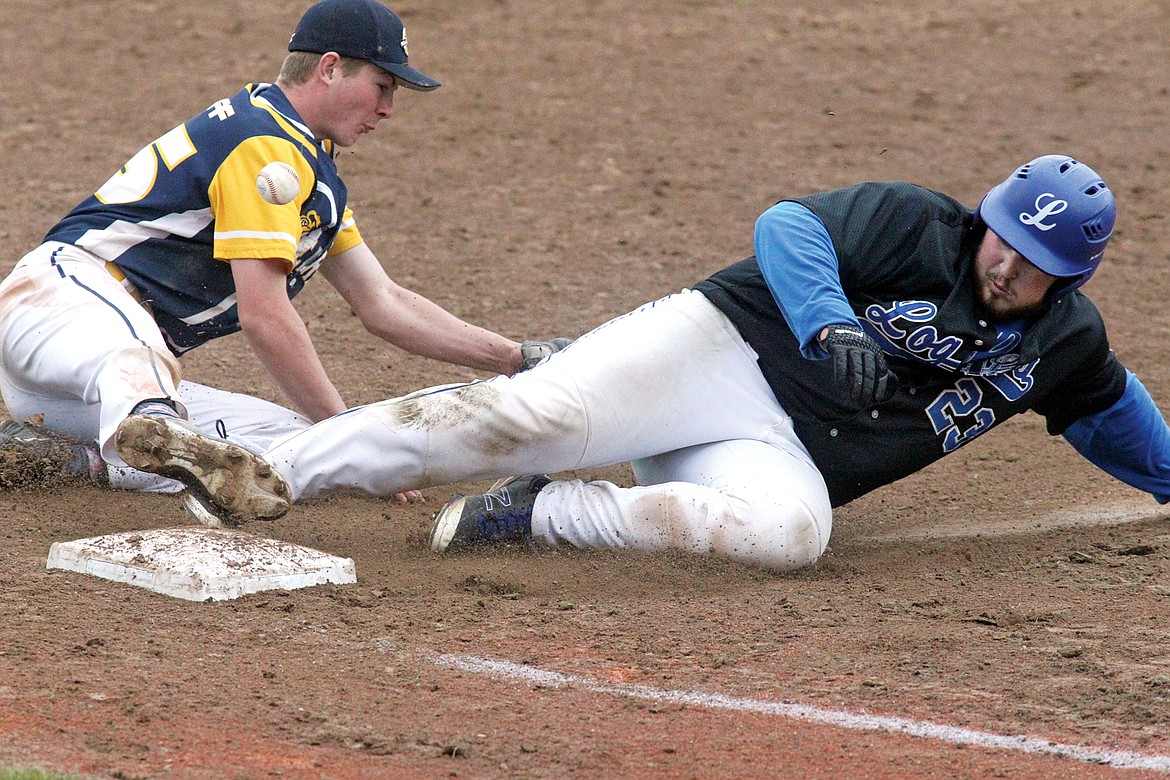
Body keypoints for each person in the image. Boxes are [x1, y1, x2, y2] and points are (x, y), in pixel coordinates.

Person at [175, 155, 1170, 573]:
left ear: (1070, 278)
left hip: (777, 452)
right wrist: (831, 326)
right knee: (524, 418)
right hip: (714, 349)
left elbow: (1111, 413)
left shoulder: (1064, 345)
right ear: (987, 217)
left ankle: (541, 514)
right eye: (1003, 238)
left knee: (791, 537)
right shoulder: (918, 225)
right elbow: (787, 227)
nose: (1005, 263)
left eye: (1034, 263)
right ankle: (259, 473)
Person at [0, 0, 567, 524]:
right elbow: (265, 317)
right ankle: (156, 423)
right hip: (61, 308)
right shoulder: (264, 144)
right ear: (329, 68)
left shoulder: (305, 163)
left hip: (80, 397)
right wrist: (348, 428)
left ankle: (68, 457)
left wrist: (513, 358)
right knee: (145, 364)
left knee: (295, 453)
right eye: (382, 85)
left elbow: (383, 302)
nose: (388, 109)